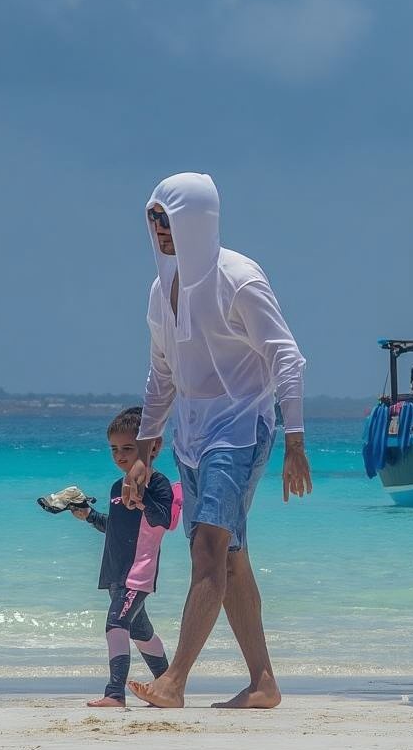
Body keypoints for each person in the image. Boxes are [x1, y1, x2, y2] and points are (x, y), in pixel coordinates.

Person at [122, 173, 312, 709]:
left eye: (168, 217)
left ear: (195, 220)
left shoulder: (240, 278)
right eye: (153, 218)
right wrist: (143, 452)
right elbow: (161, 375)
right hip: (191, 436)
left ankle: (174, 680)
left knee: (209, 546)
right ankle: (264, 683)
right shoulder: (161, 291)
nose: (158, 227)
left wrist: (294, 441)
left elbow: (286, 357)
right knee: (230, 556)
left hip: (242, 428)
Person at [69, 407, 179, 707]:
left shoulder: (157, 484)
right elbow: (115, 527)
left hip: (136, 573)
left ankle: (115, 693)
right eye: (114, 449)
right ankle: (169, 686)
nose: (120, 455)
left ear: (152, 447)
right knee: (142, 633)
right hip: (114, 572)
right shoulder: (118, 487)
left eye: (128, 448)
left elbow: (165, 520)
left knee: (116, 625)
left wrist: (142, 499)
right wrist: (89, 516)